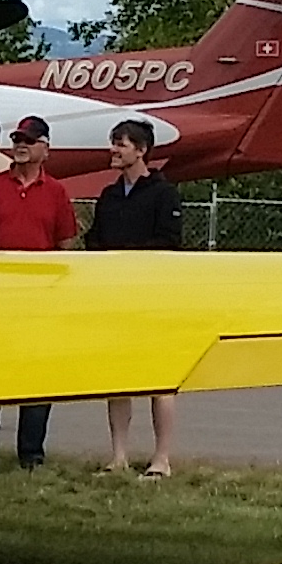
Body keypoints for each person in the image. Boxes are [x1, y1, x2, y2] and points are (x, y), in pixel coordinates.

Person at [0, 112, 77, 469]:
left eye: (28, 141)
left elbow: (66, 243)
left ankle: (31, 453)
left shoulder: (56, 192)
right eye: (17, 140)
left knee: (36, 378)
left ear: (45, 149)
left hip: (39, 300)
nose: (20, 146)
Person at [87, 116, 182, 477]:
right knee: (118, 380)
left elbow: (170, 242)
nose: (113, 149)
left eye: (121, 143)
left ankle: (161, 458)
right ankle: (119, 456)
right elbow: (95, 238)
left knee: (159, 382)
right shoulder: (110, 195)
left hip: (153, 298)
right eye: (113, 142)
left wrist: (127, 258)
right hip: (114, 299)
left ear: (141, 150)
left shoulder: (163, 193)